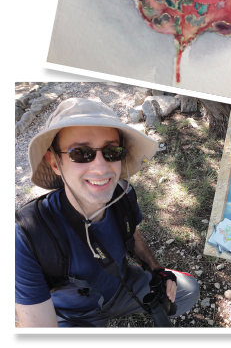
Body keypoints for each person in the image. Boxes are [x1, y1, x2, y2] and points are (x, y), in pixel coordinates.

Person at [15, 98, 199, 327]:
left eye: (112, 151)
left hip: (123, 288)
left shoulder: (123, 195)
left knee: (189, 291)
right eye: (80, 153)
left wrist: (157, 269)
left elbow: (131, 234)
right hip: (73, 316)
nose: (101, 168)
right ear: (54, 162)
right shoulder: (27, 236)